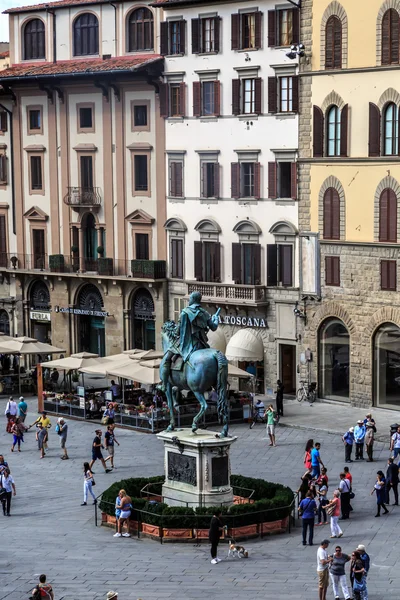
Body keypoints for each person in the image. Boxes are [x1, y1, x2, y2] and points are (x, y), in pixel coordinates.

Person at [159, 291, 218, 392]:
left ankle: (164, 384)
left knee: (167, 359)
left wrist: (174, 330)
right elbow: (214, 327)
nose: (189, 300)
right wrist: (215, 319)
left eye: (190, 298)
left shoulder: (185, 313)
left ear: (193, 299)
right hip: (201, 344)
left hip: (186, 344)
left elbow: (177, 332)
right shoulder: (205, 313)